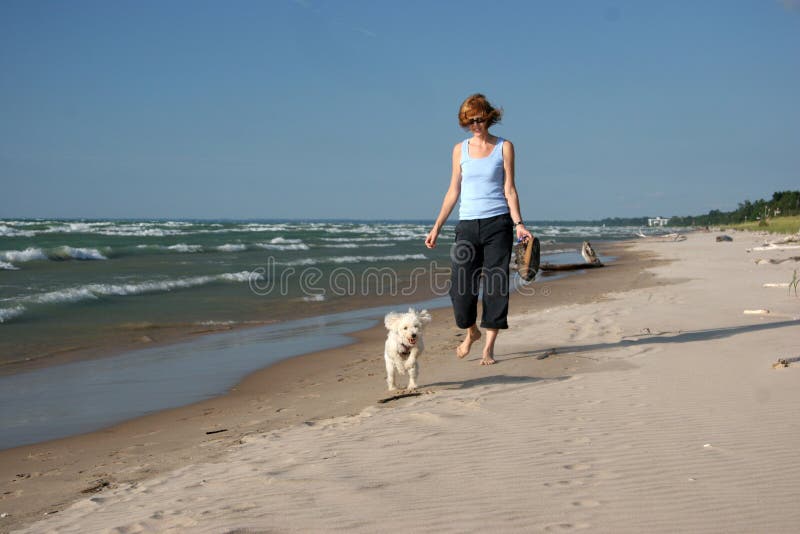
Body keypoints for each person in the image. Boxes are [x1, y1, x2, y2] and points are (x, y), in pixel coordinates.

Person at [425, 93, 533, 365]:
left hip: (498, 223)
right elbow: (453, 190)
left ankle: (488, 347)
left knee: (496, 286)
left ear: (488, 117)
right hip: (467, 226)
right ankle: (470, 332)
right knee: (460, 290)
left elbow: (510, 188)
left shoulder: (504, 147)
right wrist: (437, 226)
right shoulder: (459, 150)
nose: (474, 125)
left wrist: (519, 223)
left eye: (478, 120)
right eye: (469, 122)